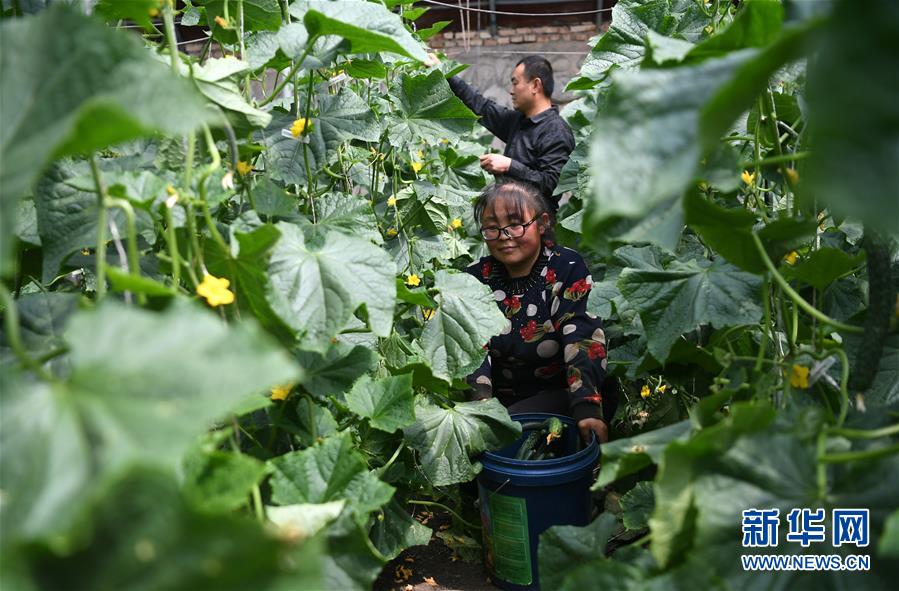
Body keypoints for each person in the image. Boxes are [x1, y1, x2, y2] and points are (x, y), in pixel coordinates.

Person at [464, 180, 615, 444]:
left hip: (565, 393)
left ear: (542, 223)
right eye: (492, 227)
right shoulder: (476, 277)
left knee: (510, 434)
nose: (504, 235)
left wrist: (587, 405)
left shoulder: (566, 267)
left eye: (515, 224)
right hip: (498, 401)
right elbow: (472, 349)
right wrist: (481, 410)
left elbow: (581, 336)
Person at [427, 53, 575, 213]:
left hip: (536, 227)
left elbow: (552, 184)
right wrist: (445, 73)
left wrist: (510, 166)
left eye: (515, 83)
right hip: (509, 219)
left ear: (535, 85)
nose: (511, 91)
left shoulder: (556, 131)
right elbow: (480, 105)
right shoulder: (518, 121)